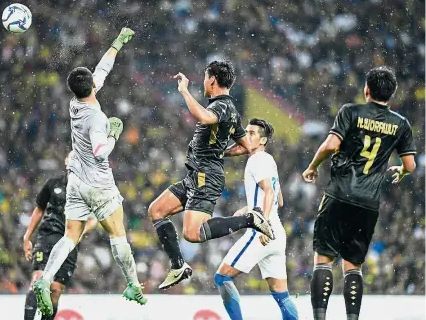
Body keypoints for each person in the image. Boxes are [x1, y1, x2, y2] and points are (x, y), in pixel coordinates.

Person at [33, 27, 147, 317]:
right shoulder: (96, 118)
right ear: (91, 87)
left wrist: (116, 44)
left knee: (70, 236)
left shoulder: (75, 103)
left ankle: (44, 279)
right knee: (118, 234)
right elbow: (100, 152)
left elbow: (102, 70)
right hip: (98, 183)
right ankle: (133, 284)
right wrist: (113, 135)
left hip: (76, 182)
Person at [302, 66, 416, 320]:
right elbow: (410, 165)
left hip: (339, 193)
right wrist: (401, 172)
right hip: (368, 203)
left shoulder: (350, 112)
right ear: (392, 94)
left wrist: (312, 167)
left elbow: (331, 145)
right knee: (353, 266)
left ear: (366, 90)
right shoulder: (401, 124)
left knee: (324, 259)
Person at [148, 61, 273, 290]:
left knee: (192, 234)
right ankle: (178, 266)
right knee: (156, 210)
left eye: (205, 78)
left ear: (212, 79)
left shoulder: (223, 106)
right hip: (196, 175)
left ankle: (251, 219)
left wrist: (184, 91)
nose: (204, 83)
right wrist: (219, 151)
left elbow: (205, 118)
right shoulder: (231, 111)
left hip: (207, 175)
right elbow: (246, 146)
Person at [215, 119, 298, 320]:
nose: (246, 136)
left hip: (262, 231)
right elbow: (279, 200)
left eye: (251, 133)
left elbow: (269, 191)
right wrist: (249, 208)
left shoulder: (257, 160)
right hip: (277, 233)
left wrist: (263, 224)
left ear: (263, 140)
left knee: (222, 277)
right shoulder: (269, 160)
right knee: (281, 294)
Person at [23, 151, 97, 320]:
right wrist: (27, 237)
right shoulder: (52, 184)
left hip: (69, 243)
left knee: (55, 291)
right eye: (72, 158)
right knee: (38, 281)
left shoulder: (87, 189)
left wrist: (80, 232)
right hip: (47, 237)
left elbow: (93, 220)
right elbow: (39, 209)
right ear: (66, 161)